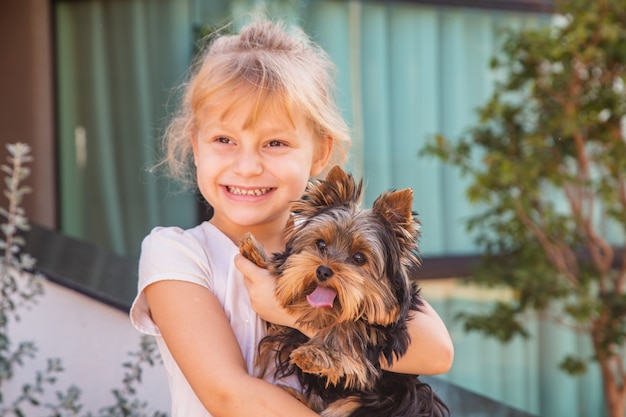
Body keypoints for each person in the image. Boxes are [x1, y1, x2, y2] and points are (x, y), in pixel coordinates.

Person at [130, 18, 453, 417]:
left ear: (320, 152)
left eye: (275, 143)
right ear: (195, 144)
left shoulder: (339, 249)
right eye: (224, 140)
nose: (247, 166)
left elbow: (436, 351)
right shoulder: (177, 255)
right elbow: (229, 395)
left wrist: (285, 313)